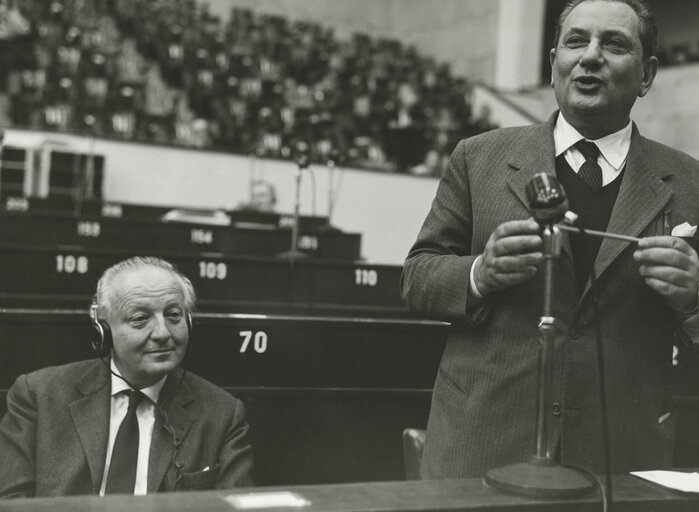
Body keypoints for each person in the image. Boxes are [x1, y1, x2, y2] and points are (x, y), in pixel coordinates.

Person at [401, 0, 699, 479]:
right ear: (555, 60)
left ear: (646, 76)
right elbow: (416, 279)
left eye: (615, 44)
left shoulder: (690, 183)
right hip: (483, 444)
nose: (591, 56)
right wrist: (481, 272)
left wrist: (694, 300)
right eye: (577, 41)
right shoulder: (478, 158)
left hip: (620, 458)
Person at [0, 257, 253, 498]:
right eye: (140, 318)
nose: (163, 333)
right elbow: (10, 501)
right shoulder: (38, 395)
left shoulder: (223, 413)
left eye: (174, 315)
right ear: (103, 331)